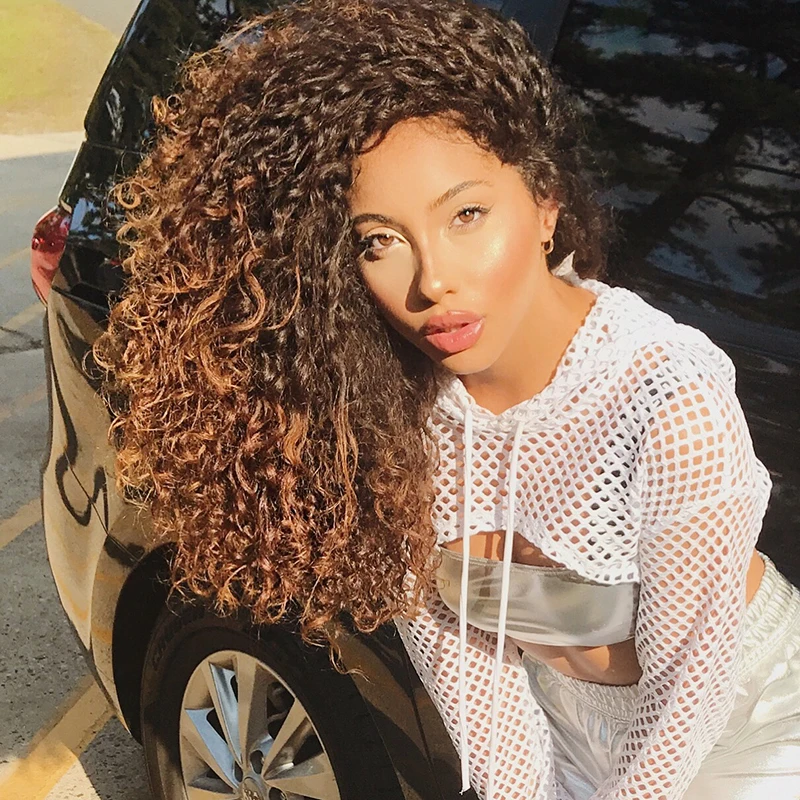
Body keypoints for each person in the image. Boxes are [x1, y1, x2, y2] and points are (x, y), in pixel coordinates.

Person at [94, 0, 800, 798]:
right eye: (379, 241)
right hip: (569, 733)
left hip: (745, 726)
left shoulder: (667, 402)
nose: (432, 280)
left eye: (467, 214)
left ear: (545, 203)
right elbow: (477, 687)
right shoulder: (387, 418)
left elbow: (686, 692)